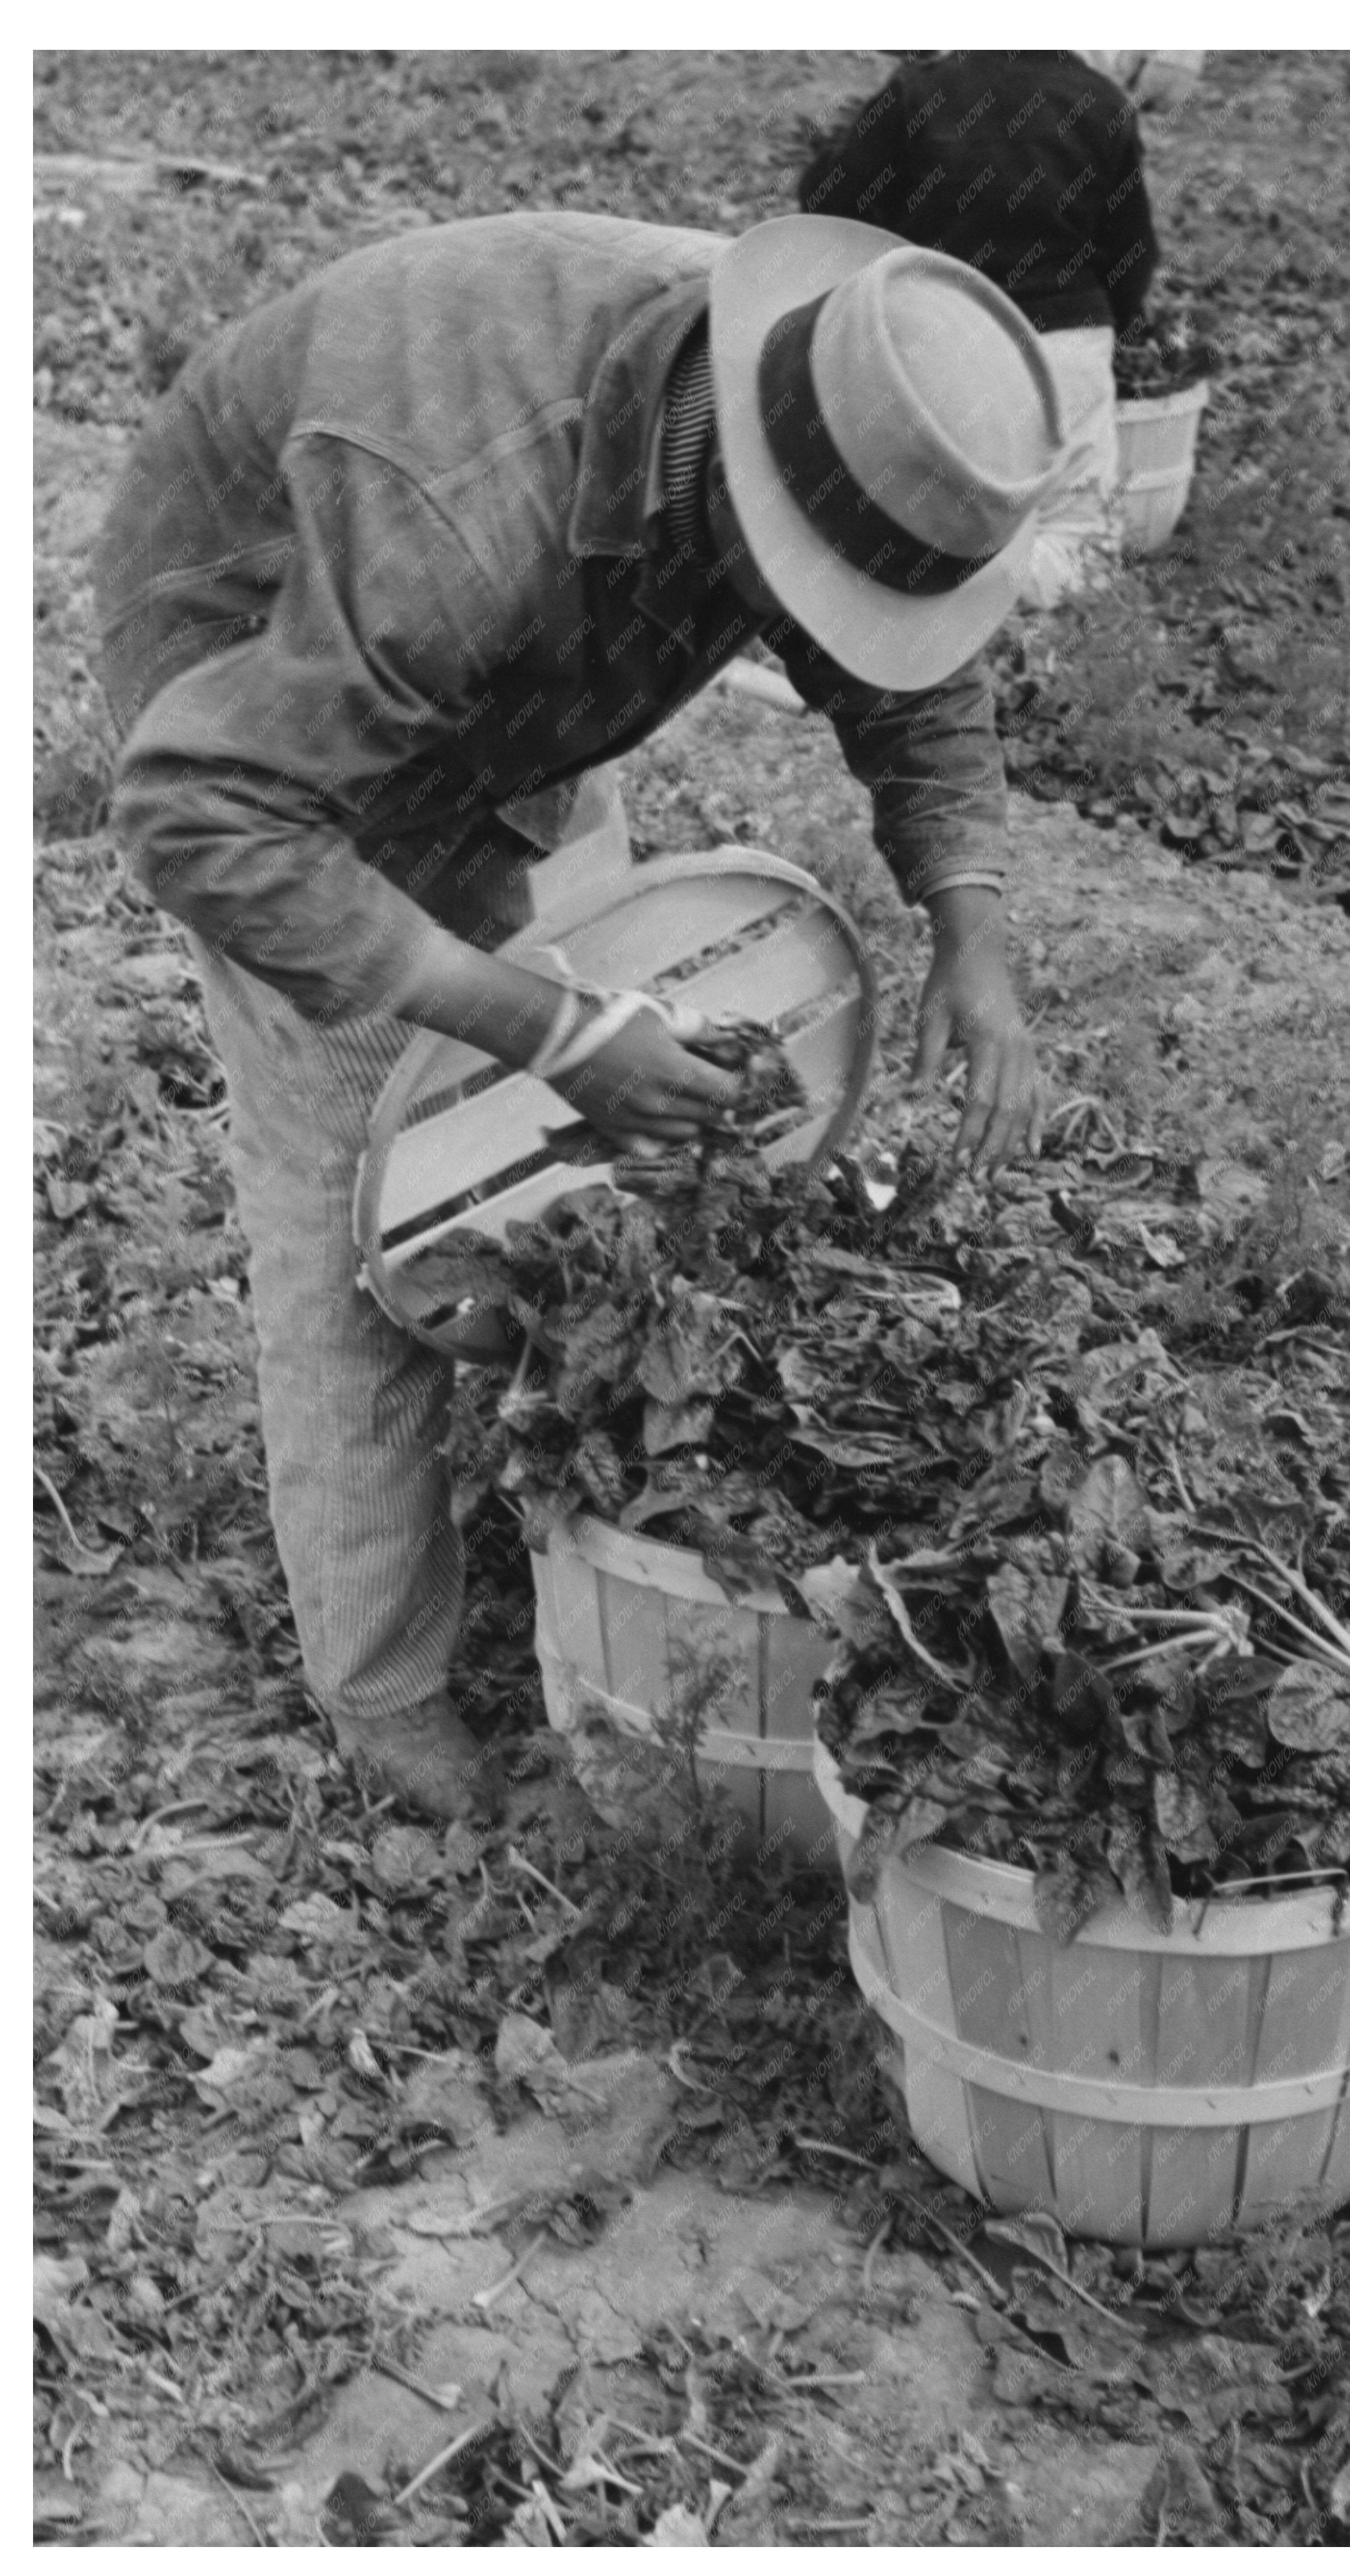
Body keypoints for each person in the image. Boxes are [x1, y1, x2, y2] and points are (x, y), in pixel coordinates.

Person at [95, 210, 1067, 1822]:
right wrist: (537, 1026)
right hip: (260, 716)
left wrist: (971, 913)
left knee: (574, 1156)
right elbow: (207, 817)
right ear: (749, 511)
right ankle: (386, 1696)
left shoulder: (841, 400)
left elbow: (910, 660)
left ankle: (552, 1528)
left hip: (511, 668)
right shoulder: (459, 517)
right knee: (374, 1220)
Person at [798, 52, 1159, 606]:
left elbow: (834, 201)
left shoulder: (921, 92)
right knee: (1078, 533)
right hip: (1064, 343)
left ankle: (940, 620)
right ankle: (1024, 625)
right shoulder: (1102, 103)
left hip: (941, 334)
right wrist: (1120, 331)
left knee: (934, 515)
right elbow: (1131, 252)